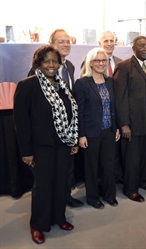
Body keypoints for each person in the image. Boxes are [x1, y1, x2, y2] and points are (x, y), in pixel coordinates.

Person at [14, 45, 79, 244]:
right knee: (42, 187)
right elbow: (21, 122)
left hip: (63, 145)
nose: (51, 65)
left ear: (60, 64)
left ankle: (59, 217)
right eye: (47, 61)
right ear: (38, 64)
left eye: (55, 61)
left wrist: (72, 140)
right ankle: (39, 224)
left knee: (61, 184)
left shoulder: (63, 86)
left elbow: (70, 115)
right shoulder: (27, 85)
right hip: (40, 148)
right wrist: (26, 151)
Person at [27, 29, 83, 208]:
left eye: (68, 41)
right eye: (61, 42)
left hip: (68, 132)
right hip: (47, 136)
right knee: (46, 178)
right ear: (51, 45)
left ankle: (64, 196)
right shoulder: (36, 71)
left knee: (66, 170)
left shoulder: (71, 66)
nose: (66, 45)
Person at [113, 35, 146, 202]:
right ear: (133, 48)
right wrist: (124, 124)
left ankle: (143, 181)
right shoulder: (124, 67)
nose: (145, 48)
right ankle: (130, 189)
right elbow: (120, 98)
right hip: (132, 124)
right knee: (132, 159)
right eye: (141, 46)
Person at [73, 48, 120, 209]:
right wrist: (81, 135)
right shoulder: (82, 84)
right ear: (90, 63)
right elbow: (78, 111)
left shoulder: (110, 82)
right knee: (91, 167)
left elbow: (114, 108)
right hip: (90, 133)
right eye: (97, 60)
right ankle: (93, 198)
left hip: (109, 131)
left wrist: (117, 128)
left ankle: (109, 195)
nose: (101, 63)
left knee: (109, 166)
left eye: (104, 60)